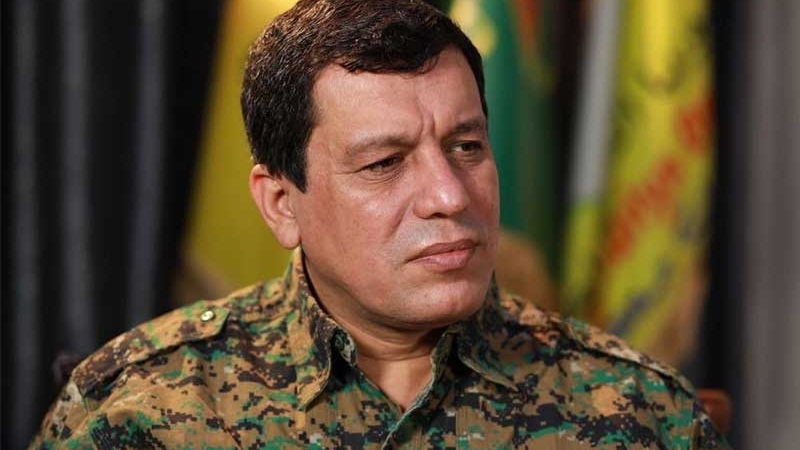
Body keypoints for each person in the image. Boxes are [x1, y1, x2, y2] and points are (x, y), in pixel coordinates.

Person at [29, 0, 729, 448]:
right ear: (281, 203)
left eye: (467, 147)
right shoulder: (139, 410)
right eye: (385, 163)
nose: (448, 195)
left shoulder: (639, 413)